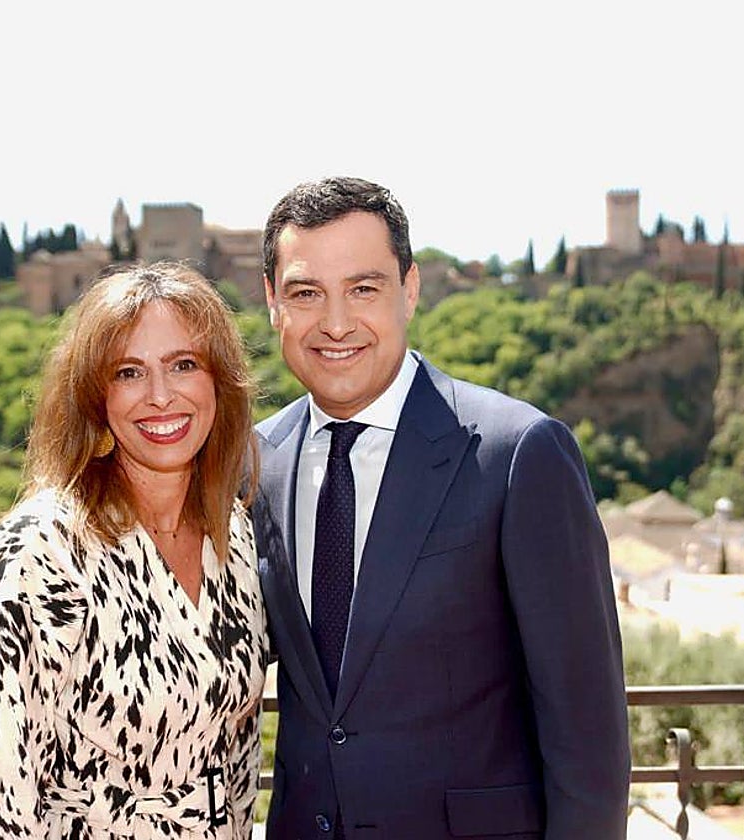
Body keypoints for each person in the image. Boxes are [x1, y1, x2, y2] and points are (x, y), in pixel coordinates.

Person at [252, 177, 630, 838]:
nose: (335, 323)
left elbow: (588, 739)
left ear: (411, 289)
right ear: (272, 303)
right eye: (306, 293)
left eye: (363, 289)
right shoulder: (257, 462)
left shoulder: (518, 454)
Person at [0, 263, 268, 839]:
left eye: (184, 365)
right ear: (95, 397)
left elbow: (238, 757)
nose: (161, 395)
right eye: (129, 372)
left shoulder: (232, 532)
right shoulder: (43, 549)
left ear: (218, 384)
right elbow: (4, 803)